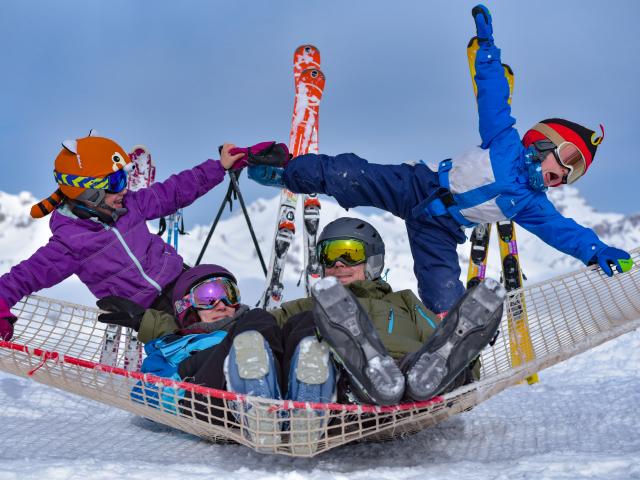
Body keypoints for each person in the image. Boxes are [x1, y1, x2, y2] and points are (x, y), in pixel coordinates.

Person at [239, 5, 631, 316]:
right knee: (349, 173)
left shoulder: (532, 204)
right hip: (418, 184)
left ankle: (444, 348)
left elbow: (564, 231)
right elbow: (492, 95)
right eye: (568, 159)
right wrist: (487, 47)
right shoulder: (505, 141)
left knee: (442, 290)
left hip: (441, 229)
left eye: (573, 175)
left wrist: (595, 250)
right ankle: (284, 170)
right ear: (546, 141)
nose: (563, 174)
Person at [112, 218, 504, 409]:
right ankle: (366, 377)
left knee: (439, 355)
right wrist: (154, 320)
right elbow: (253, 332)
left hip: (415, 376)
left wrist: (467, 357)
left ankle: (440, 366)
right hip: (348, 384)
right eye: (330, 256)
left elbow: (434, 333)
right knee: (298, 326)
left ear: (373, 260)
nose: (339, 263)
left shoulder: (403, 299)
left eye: (350, 253)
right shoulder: (309, 305)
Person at [0, 130, 245, 341]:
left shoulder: (132, 205)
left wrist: (218, 166)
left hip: (182, 280)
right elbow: (26, 276)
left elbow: (174, 191)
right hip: (151, 309)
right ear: (88, 192)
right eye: (116, 181)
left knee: (230, 311)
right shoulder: (70, 245)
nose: (125, 188)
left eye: (125, 177)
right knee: (205, 336)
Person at [97, 264, 337, 454]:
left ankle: (307, 407)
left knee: (303, 322)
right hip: (208, 404)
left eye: (228, 293)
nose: (221, 304)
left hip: (278, 398)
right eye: (208, 296)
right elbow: (143, 394)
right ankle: (256, 407)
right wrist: (184, 372)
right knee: (251, 328)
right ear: (186, 307)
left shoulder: (257, 324)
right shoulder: (170, 347)